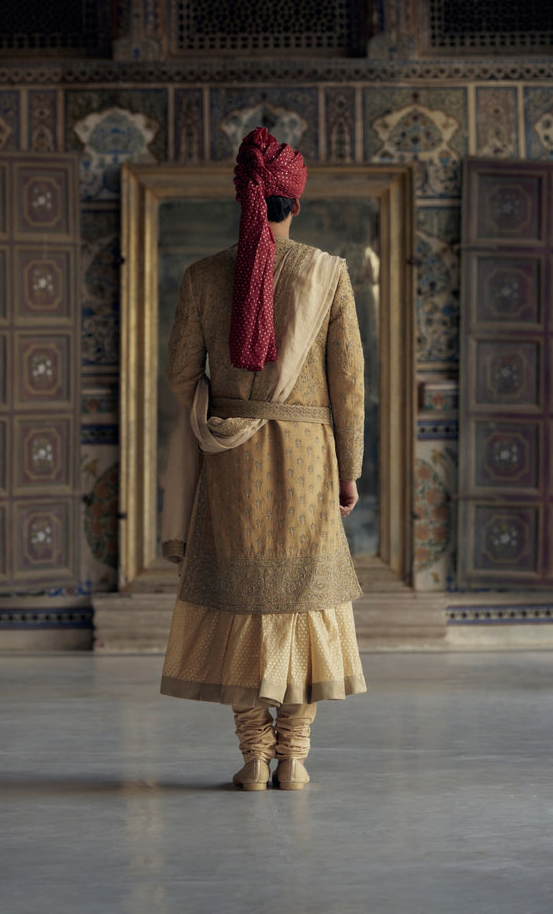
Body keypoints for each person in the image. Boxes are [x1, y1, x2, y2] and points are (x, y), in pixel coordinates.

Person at [159, 125, 366, 791]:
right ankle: (295, 756)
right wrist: (351, 468)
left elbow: (178, 375)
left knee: (238, 598)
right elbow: (350, 387)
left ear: (241, 198)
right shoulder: (329, 274)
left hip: (230, 460)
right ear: (294, 203)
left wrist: (224, 407)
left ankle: (253, 755)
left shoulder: (201, 277)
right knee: (305, 597)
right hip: (309, 457)